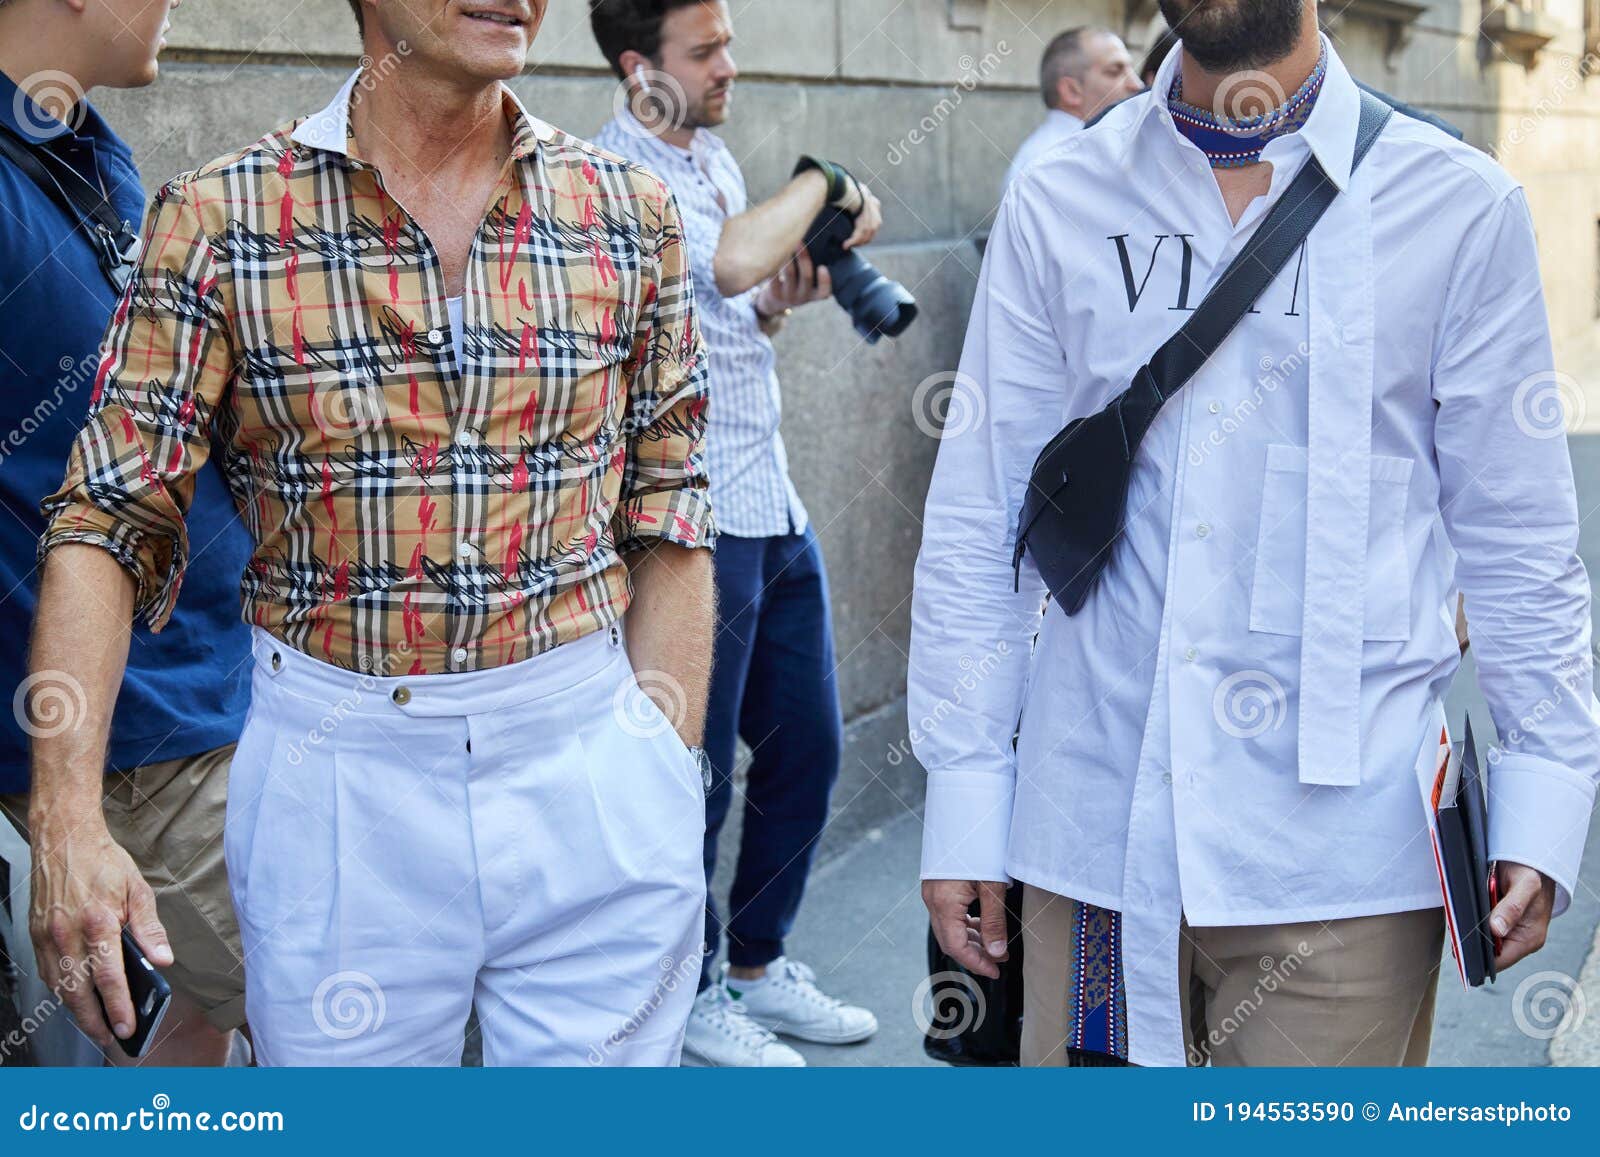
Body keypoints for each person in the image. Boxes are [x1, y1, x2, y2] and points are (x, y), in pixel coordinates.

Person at [28, 0, 716, 1067]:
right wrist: (68, 817)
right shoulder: (220, 217)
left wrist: (663, 766)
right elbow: (107, 514)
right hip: (336, 782)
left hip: (593, 762)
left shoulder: (628, 208)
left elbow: (671, 494)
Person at [913, 0, 1597, 1067]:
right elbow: (979, 514)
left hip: (1341, 865)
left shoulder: (1456, 207)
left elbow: (1518, 537)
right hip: (1088, 840)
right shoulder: (1061, 197)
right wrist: (963, 792)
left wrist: (1544, 795)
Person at [590, 0, 880, 1067]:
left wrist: (779, 303)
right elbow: (716, 263)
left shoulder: (708, 159)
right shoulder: (619, 173)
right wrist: (823, 181)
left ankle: (758, 964)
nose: (729, 66)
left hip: (774, 500)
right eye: (704, 51)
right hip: (693, 521)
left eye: (728, 44)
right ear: (639, 69)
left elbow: (728, 302)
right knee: (695, 772)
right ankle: (693, 986)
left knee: (809, 745)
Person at [0, 0, 253, 1067]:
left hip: (225, 678)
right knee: (371, 1017)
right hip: (142, 737)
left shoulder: (85, 148)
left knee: (189, 1035)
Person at [1005, 26, 1142, 188]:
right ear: (1071, 91)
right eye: (1114, 71)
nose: (1137, 85)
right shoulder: (1058, 161)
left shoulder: (1067, 152)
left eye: (1132, 70)